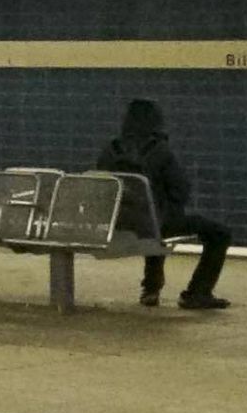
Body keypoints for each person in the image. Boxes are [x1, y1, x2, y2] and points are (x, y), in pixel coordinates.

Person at [95, 97, 232, 311]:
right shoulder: (160, 151)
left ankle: (151, 289)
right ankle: (198, 292)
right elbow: (181, 190)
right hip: (154, 224)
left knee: (151, 220)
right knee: (219, 233)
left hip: (119, 223)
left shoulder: (110, 151)